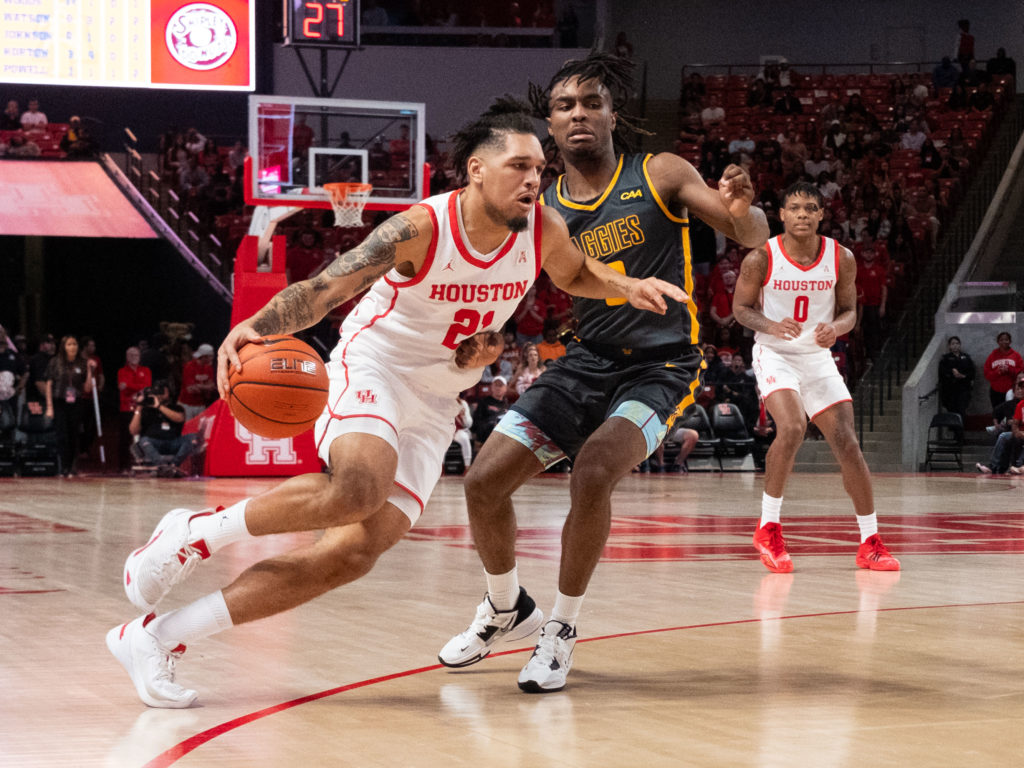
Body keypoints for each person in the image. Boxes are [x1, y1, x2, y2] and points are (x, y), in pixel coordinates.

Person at [105, 98, 685, 708]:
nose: (534, 179)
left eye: (539, 167)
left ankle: (156, 639)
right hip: (374, 365)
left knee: (353, 552)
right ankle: (194, 532)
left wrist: (624, 286)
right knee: (359, 488)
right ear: (477, 171)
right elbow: (328, 286)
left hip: (437, 398)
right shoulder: (422, 227)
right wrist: (257, 324)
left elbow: (574, 274)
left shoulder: (542, 229)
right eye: (519, 166)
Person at [438, 52, 769, 693]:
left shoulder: (660, 173)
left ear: (614, 115)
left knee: (592, 470)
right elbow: (505, 281)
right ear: (550, 127)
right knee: (482, 483)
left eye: (592, 103)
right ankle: (506, 607)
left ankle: (560, 630)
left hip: (662, 367)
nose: (579, 114)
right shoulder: (542, 206)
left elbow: (746, 231)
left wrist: (744, 208)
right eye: (564, 106)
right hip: (583, 360)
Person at [732, 181, 900, 576]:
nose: (803, 214)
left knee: (847, 443)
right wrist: (771, 325)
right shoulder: (761, 258)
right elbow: (740, 308)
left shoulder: (841, 258)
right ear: (783, 215)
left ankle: (870, 542)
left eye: (811, 208)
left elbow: (848, 311)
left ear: (823, 214)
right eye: (795, 208)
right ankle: (768, 527)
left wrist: (836, 329)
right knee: (791, 427)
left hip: (817, 355)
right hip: (774, 351)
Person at [43, 335, 97, 477]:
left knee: (74, 434)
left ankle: (73, 466)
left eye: (74, 344)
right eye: (69, 344)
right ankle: (63, 467)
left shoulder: (82, 362)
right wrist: (49, 406)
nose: (72, 347)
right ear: (64, 347)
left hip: (76, 402)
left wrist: (90, 371)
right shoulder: (55, 362)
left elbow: (87, 388)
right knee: (62, 435)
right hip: (59, 401)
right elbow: (49, 384)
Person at [129, 380, 200, 476]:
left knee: (193, 438)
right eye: (157, 391)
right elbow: (133, 431)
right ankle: (162, 466)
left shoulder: (176, 408)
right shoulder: (146, 409)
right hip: (153, 443)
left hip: (173, 442)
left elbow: (179, 418)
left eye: (162, 391)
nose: (159, 394)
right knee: (144, 440)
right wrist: (139, 408)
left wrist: (159, 406)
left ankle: (174, 465)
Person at [976, 374, 1024, 475]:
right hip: (1019, 432)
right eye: (1019, 388)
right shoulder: (1019, 405)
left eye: (1022, 388)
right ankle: (993, 467)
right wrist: (1016, 432)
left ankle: (1019, 467)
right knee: (1004, 436)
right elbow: (1015, 424)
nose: (1020, 390)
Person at [117, 346, 152, 471]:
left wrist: (129, 386)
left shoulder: (146, 370)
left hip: (142, 408)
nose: (134, 357)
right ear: (127, 357)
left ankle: (144, 463)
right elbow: (122, 387)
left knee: (143, 436)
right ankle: (123, 466)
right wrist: (137, 388)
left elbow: (146, 387)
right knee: (125, 438)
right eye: (131, 355)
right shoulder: (122, 371)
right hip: (126, 408)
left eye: (136, 355)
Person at [982, 331, 1023, 410]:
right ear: (998, 342)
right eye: (1001, 340)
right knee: (998, 413)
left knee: (1011, 413)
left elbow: (1021, 374)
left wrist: (1009, 370)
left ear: (1010, 341)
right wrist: (998, 372)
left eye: (1006, 339)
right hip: (996, 391)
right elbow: (987, 374)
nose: (1004, 341)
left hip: (1012, 391)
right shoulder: (992, 356)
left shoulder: (1016, 356)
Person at [937, 336, 974, 419]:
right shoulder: (946, 358)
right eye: (953, 344)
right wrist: (952, 372)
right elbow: (942, 372)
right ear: (949, 346)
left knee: (962, 410)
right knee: (952, 410)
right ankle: (954, 429)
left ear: (960, 345)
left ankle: (960, 430)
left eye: (957, 343)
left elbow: (972, 372)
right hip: (950, 389)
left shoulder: (966, 357)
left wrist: (964, 376)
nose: (955, 346)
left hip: (964, 388)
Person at [178, 343, 216, 421]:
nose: (212, 358)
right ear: (204, 356)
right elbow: (190, 389)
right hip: (187, 404)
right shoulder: (189, 366)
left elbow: (211, 386)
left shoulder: (209, 368)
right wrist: (206, 387)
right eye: (210, 356)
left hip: (201, 404)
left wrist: (198, 386)